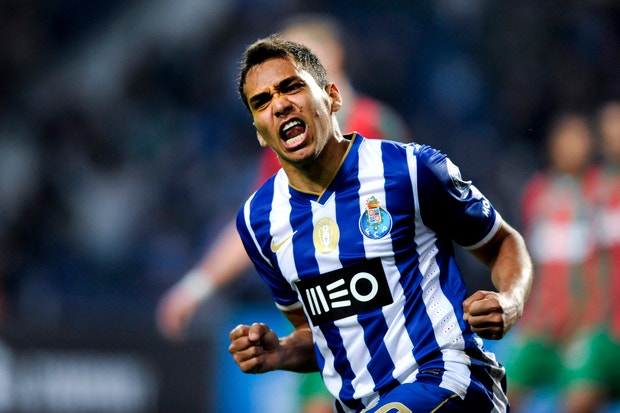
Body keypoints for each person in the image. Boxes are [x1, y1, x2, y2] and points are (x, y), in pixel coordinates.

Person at [227, 35, 533, 412]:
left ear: (332, 97)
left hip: (449, 380)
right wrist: (282, 351)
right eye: (262, 101)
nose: (279, 104)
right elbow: (319, 335)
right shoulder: (258, 222)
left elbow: (502, 243)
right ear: (259, 131)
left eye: (292, 87)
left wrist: (510, 301)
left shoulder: (410, 169)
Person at [155, 14, 409, 344]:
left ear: (331, 56)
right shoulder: (290, 141)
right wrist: (196, 288)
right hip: (330, 312)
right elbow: (261, 221)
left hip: (387, 309)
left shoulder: (373, 124)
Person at [502, 112, 596, 412]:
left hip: (584, 326)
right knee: (500, 393)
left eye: (578, 138)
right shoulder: (537, 192)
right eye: (565, 138)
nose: (571, 146)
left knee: (578, 401)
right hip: (539, 325)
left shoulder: (599, 191)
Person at [563, 100, 620, 413]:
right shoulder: (592, 190)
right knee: (577, 400)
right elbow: (581, 264)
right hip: (604, 329)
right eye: (609, 128)